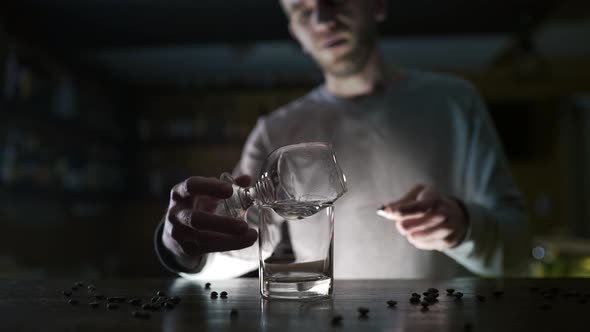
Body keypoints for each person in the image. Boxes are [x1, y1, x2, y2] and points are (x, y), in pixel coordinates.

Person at [154, 0, 530, 280]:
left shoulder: (454, 102)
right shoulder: (276, 130)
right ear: (297, 35)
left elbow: (516, 248)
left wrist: (463, 226)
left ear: (378, 5)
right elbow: (241, 241)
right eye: (302, 10)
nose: (322, 17)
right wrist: (183, 248)